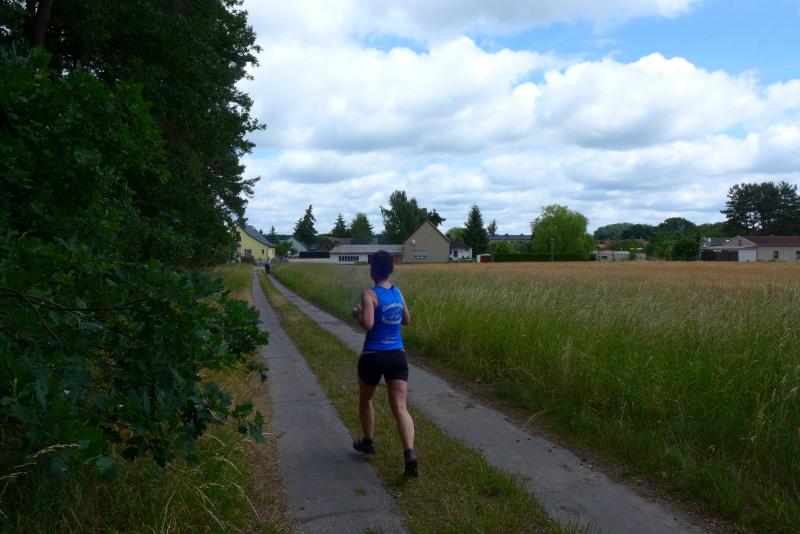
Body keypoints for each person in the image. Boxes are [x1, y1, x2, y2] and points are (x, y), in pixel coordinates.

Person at [351, 250, 417, 477]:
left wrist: (358, 315)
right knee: (400, 407)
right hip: (397, 355)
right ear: (390, 270)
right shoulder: (398, 292)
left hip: (373, 355)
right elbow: (407, 320)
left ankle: (368, 442)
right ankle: (409, 453)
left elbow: (368, 325)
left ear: (372, 270)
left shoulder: (369, 295)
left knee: (366, 399)